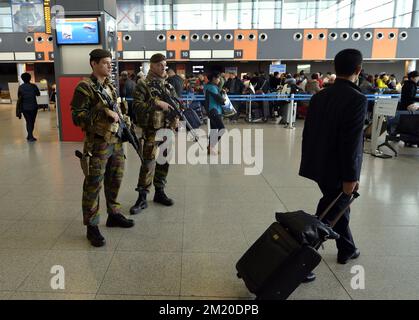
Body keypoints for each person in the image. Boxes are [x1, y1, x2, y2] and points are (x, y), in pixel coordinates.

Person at [299, 49, 367, 282]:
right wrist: (351, 177)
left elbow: (310, 133)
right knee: (328, 214)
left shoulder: (320, 95)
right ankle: (300, 261)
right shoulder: (357, 99)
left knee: (338, 207)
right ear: (358, 70)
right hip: (339, 169)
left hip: (318, 165)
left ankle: (347, 249)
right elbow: (352, 143)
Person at [70, 49, 134, 247]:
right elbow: (76, 118)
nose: (110, 65)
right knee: (93, 185)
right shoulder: (84, 87)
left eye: (111, 62)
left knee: (115, 179)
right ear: (94, 64)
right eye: (106, 62)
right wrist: (101, 110)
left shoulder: (109, 86)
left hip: (114, 142)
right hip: (97, 145)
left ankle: (113, 214)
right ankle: (92, 225)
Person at [130, 53, 179, 215]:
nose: (163, 67)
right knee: (148, 162)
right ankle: (142, 196)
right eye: (159, 64)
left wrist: (176, 118)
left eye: (164, 64)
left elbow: (175, 104)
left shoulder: (168, 85)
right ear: (151, 65)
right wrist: (156, 103)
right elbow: (136, 106)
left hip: (167, 129)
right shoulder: (143, 84)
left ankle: (160, 191)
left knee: (164, 161)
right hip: (151, 130)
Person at [204, 72, 226, 155]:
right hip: (214, 110)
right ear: (213, 78)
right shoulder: (211, 87)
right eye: (218, 78)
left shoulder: (210, 86)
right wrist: (223, 97)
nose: (219, 80)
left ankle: (210, 147)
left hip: (213, 110)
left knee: (213, 130)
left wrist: (221, 91)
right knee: (222, 129)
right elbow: (220, 99)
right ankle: (211, 146)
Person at [18, 72, 40, 142]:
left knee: (28, 121)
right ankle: (30, 136)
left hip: (25, 107)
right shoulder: (33, 86)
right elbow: (38, 94)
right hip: (33, 107)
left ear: (22, 79)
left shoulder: (20, 87)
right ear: (30, 78)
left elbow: (19, 97)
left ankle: (29, 135)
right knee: (32, 121)